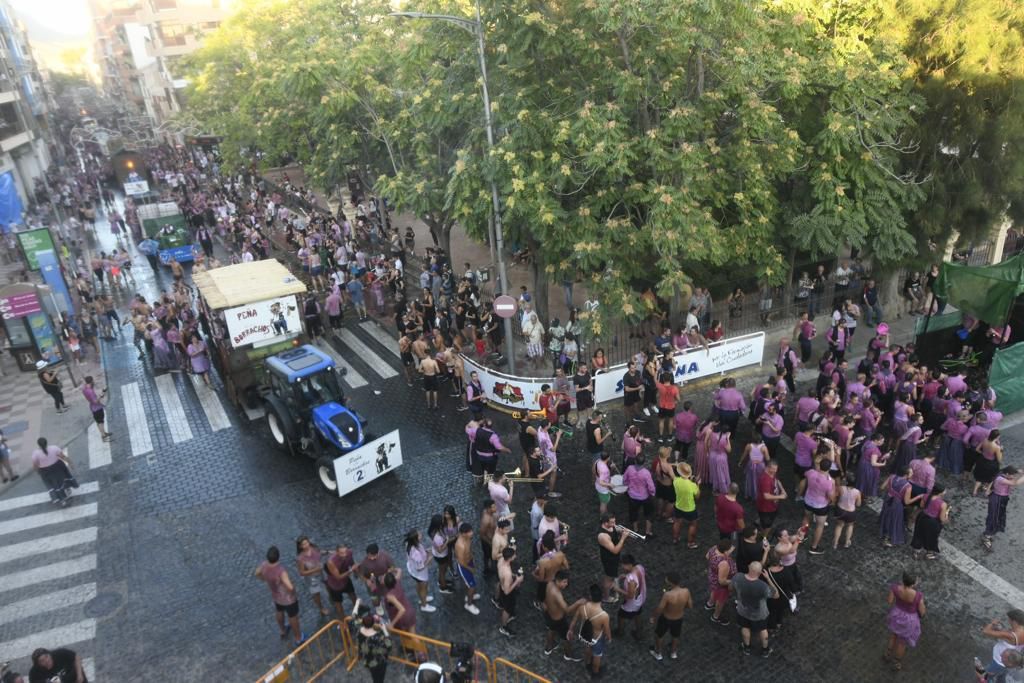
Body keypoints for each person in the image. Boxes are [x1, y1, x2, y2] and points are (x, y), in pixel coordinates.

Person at [255, 545, 304, 645]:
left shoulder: (264, 565)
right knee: (292, 616)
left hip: (276, 595)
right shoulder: (280, 570)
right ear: (278, 556)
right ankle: (298, 637)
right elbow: (289, 587)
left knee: (279, 611)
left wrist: (264, 579)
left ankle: (282, 630)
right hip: (288, 598)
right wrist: (294, 591)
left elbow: (257, 573)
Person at [732, 560, 777, 657]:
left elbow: (731, 588)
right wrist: (769, 579)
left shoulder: (738, 577)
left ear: (749, 567)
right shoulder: (762, 586)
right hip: (759, 614)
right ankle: (765, 649)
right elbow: (776, 595)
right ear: (760, 572)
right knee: (763, 629)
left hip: (743, 610)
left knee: (745, 627)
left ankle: (746, 647)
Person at [885, 572, 926, 672]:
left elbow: (889, 601)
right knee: (902, 642)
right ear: (913, 584)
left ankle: (887, 654)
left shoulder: (895, 588)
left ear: (903, 580)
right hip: (909, 620)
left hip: (896, 615)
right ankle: (897, 662)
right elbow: (922, 612)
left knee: (894, 635)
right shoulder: (918, 596)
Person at [569, 584, 611, 680]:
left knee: (588, 648)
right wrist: (609, 638)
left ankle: (588, 663)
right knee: (597, 656)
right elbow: (607, 630)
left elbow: (574, 620)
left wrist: (570, 630)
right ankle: (595, 674)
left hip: (584, 635)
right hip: (596, 639)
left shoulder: (582, 607)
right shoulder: (604, 616)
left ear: (590, 596)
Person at [648, 570, 692, 661]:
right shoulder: (686, 591)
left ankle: (658, 652)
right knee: (675, 635)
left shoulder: (667, 595)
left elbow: (660, 608)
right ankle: (673, 652)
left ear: (670, 582)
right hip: (679, 618)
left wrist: (653, 617)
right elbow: (690, 605)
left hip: (666, 618)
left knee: (659, 635)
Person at [543, 570, 585, 661]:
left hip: (548, 614)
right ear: (558, 581)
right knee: (567, 637)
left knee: (551, 629)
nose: (566, 584)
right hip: (559, 620)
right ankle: (568, 654)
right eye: (564, 582)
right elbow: (567, 610)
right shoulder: (557, 594)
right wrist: (578, 602)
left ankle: (549, 647)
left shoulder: (549, 583)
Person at [975, 609, 1024, 681]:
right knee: (1001, 676)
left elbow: (985, 631)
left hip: (999, 661)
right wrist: (1000, 631)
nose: (1009, 621)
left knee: (984, 677)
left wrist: (992, 623)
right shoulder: (1020, 631)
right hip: (1010, 662)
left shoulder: (1011, 636)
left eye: (1009, 620)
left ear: (1014, 621)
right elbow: (1010, 639)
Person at [983, 467, 1024, 552]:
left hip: (1000, 499)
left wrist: (1020, 472)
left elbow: (1016, 474)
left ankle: (989, 534)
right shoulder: (1000, 479)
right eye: (1012, 476)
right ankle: (987, 536)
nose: (1013, 477)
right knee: (994, 517)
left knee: (997, 516)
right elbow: (1015, 483)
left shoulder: (1003, 473)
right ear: (1007, 474)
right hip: (997, 500)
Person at [802, 459, 835, 555]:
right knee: (820, 525)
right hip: (821, 506)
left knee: (806, 518)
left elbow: (805, 474)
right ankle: (814, 547)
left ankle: (802, 536)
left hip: (808, 501)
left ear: (820, 465)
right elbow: (831, 496)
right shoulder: (829, 481)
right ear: (829, 468)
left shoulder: (811, 472)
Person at [31, 437, 77, 507]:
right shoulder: (54, 448)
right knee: (63, 479)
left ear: (39, 445)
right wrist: (70, 463)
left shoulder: (36, 454)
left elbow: (35, 465)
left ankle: (62, 501)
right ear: (47, 442)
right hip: (58, 467)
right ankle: (67, 489)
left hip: (45, 471)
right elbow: (63, 457)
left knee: (54, 485)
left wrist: (37, 471)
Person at [910, 484, 950, 560]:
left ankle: (916, 552)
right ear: (940, 492)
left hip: (922, 517)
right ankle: (929, 554)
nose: (945, 491)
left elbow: (922, 506)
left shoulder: (926, 496)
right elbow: (942, 519)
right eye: (944, 490)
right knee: (932, 538)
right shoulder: (943, 504)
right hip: (932, 522)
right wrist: (947, 513)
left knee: (918, 534)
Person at [295, 536, 329, 618]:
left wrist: (329, 552)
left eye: (307, 542)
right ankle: (321, 608)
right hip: (312, 578)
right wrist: (315, 569)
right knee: (316, 593)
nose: (307, 545)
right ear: (300, 546)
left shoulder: (314, 548)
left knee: (328, 583)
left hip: (321, 572)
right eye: (304, 544)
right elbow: (302, 572)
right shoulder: (300, 558)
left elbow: (320, 552)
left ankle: (331, 596)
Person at [705, 538, 736, 626]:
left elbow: (707, 556)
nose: (732, 549)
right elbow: (722, 581)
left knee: (713, 591)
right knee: (721, 600)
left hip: (712, 576)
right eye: (730, 549)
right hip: (720, 585)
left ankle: (710, 604)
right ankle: (716, 616)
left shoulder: (714, 548)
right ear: (725, 551)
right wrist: (734, 581)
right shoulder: (724, 563)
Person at [597, 513, 628, 601]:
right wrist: (623, 538)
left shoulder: (611, 526)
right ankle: (606, 597)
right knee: (608, 577)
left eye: (615, 521)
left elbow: (614, 529)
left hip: (614, 557)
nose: (614, 524)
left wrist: (620, 531)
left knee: (611, 575)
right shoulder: (603, 536)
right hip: (609, 559)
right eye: (612, 522)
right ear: (605, 523)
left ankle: (612, 583)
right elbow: (615, 550)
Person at [324, 544, 359, 617]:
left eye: (345, 552)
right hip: (335, 586)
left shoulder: (349, 553)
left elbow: (351, 562)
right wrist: (351, 570)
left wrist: (355, 572)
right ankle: (343, 621)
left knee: (353, 596)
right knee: (338, 604)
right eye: (341, 553)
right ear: (336, 552)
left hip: (346, 581)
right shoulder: (331, 562)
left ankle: (358, 613)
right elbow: (338, 577)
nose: (344, 555)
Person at [671, 462, 701, 548]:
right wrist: (698, 484)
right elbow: (698, 496)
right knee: (693, 524)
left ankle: (675, 538)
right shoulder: (692, 485)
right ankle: (690, 542)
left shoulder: (676, 481)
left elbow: (675, 475)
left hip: (678, 506)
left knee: (677, 522)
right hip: (690, 509)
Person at [357, 612, 393, 683]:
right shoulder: (378, 637)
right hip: (378, 662)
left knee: (374, 676)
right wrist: (384, 629)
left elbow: (354, 617)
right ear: (373, 623)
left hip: (368, 659)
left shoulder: (359, 631)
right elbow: (389, 646)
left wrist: (357, 604)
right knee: (379, 679)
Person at [497, 546, 524, 637]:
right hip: (506, 591)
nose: (515, 556)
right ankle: (503, 627)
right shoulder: (507, 573)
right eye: (514, 555)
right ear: (510, 558)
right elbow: (507, 591)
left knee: (509, 606)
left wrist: (514, 575)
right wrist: (517, 581)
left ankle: (510, 614)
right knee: (507, 609)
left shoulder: (501, 560)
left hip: (502, 585)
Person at [453, 522, 481, 614]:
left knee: (470, 583)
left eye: (471, 531)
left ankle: (470, 595)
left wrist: (472, 557)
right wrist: (470, 569)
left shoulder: (468, 538)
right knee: (472, 587)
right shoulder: (460, 545)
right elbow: (461, 562)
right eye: (469, 532)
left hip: (469, 562)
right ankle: (468, 604)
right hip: (464, 567)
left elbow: (469, 550)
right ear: (463, 533)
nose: (472, 533)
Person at [832, 473, 863, 549]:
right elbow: (858, 504)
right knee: (850, 526)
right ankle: (847, 542)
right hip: (851, 512)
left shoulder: (841, 488)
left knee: (839, 526)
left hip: (840, 510)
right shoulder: (857, 492)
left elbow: (836, 496)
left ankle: (835, 543)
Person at [756, 461, 786, 537]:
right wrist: (780, 496)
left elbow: (777, 480)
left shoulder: (772, 473)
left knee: (767, 522)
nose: (775, 471)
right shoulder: (765, 480)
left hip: (772, 505)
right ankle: (763, 537)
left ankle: (762, 530)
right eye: (773, 469)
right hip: (766, 508)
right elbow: (766, 496)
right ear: (768, 468)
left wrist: (782, 489)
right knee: (768, 525)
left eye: (776, 469)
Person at [81, 376, 112, 442]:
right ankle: (103, 436)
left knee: (99, 421)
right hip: (97, 408)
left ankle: (103, 433)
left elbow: (86, 386)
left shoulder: (84, 389)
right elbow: (95, 401)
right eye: (93, 381)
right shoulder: (90, 391)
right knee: (100, 422)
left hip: (92, 407)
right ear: (91, 381)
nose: (94, 382)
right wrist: (102, 394)